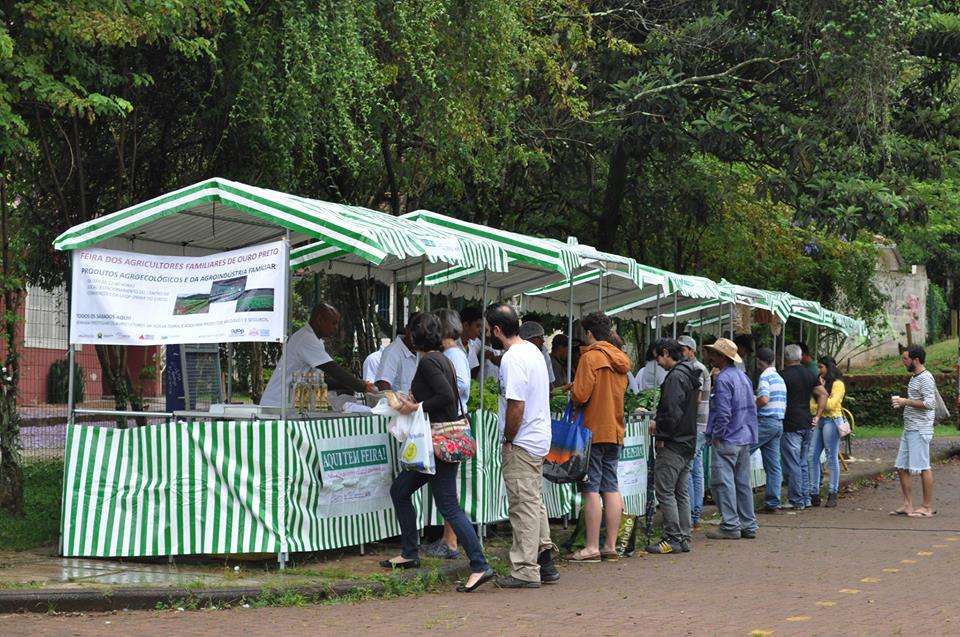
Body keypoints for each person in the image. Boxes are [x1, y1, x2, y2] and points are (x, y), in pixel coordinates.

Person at [381, 313, 494, 592]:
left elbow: (446, 396)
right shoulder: (440, 358)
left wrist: (414, 407)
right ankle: (410, 553)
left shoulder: (430, 361)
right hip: (435, 444)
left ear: (414, 336)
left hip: (439, 444)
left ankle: (480, 565)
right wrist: (412, 401)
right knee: (400, 490)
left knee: (448, 506)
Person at [485, 303, 559, 589]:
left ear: (497, 330)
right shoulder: (533, 351)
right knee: (534, 501)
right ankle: (545, 561)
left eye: (489, 329)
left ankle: (526, 569)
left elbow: (516, 405)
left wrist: (508, 438)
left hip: (524, 439)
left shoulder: (513, 358)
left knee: (522, 504)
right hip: (539, 436)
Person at [567, 312, 632, 563]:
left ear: (590, 334)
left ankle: (591, 547)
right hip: (615, 429)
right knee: (611, 486)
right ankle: (610, 545)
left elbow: (581, 395)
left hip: (592, 430)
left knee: (591, 487)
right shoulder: (621, 360)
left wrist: (573, 389)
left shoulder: (590, 357)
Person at [420, 309, 471, 560]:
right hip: (449, 425)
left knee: (448, 491)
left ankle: (451, 542)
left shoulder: (452, 354)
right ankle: (449, 540)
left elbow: (460, 386)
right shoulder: (452, 354)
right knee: (447, 489)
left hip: (448, 426)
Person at [645, 337, 700, 554]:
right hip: (688, 441)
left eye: (658, 357)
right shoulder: (690, 373)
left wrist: (659, 430)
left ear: (666, 352)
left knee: (666, 491)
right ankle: (683, 536)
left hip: (674, 443)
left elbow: (671, 411)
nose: (657, 362)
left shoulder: (676, 377)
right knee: (681, 491)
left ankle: (673, 537)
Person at [260, 303, 373, 406]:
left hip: (293, 403)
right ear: (319, 320)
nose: (336, 328)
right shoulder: (306, 339)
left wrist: (344, 384)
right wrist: (362, 386)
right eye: (333, 323)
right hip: (278, 404)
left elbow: (316, 381)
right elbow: (333, 369)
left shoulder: (315, 340)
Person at [703, 337, 759, 540]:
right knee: (742, 482)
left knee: (723, 482)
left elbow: (723, 412)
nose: (709, 357)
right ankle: (748, 524)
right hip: (744, 436)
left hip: (728, 437)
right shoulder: (743, 377)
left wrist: (717, 434)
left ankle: (730, 525)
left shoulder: (724, 379)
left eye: (712, 354)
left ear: (721, 357)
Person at [780, 344, 828, 510]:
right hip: (806, 421)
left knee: (792, 463)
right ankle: (806, 497)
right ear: (800, 357)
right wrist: (818, 415)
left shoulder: (783, 376)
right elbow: (823, 393)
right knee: (802, 462)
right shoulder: (810, 374)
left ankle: (796, 499)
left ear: (785, 358)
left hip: (790, 423)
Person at [892, 345, 938, 517]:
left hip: (920, 429)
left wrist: (905, 402)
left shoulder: (926, 378)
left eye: (905, 359)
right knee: (901, 466)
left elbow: (929, 403)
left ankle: (926, 507)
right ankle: (908, 504)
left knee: (924, 467)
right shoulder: (915, 377)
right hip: (910, 427)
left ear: (916, 360)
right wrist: (904, 403)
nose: (903, 362)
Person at [678, 335, 710, 529]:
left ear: (691, 350)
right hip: (699, 424)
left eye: (682, 349)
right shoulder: (696, 368)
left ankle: (691, 512)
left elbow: (695, 399)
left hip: (696, 424)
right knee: (695, 468)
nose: (680, 352)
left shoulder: (696, 369)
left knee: (690, 469)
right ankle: (695, 512)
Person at [808, 356, 846, 508]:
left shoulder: (838, 384)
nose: (818, 370)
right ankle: (814, 492)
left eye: (821, 367)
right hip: (820, 420)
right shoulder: (818, 383)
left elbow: (831, 405)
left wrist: (821, 395)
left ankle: (833, 492)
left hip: (832, 420)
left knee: (831, 456)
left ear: (828, 368)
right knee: (812, 456)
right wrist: (823, 395)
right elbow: (811, 407)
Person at [753, 347, 787, 514]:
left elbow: (764, 399)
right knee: (773, 464)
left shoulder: (765, 376)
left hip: (766, 422)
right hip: (778, 422)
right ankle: (773, 502)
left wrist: (753, 404)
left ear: (759, 361)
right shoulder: (779, 378)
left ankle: (737, 496)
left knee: (741, 452)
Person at [375, 313, 421, 393]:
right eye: (414, 335)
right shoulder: (392, 352)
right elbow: (383, 384)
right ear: (407, 330)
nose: (418, 339)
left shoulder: (422, 350)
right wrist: (395, 404)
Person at [519, 321, 557, 389]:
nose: (543, 341)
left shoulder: (543, 351)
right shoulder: (514, 355)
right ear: (530, 338)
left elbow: (549, 383)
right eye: (540, 337)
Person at [459, 306, 484, 378]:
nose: (480, 330)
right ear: (466, 325)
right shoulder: (453, 345)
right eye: (478, 326)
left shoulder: (474, 344)